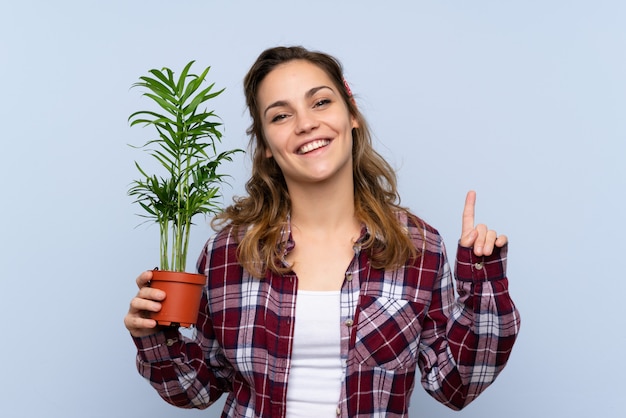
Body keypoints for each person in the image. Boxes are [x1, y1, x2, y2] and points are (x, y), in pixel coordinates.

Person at [124, 45, 520, 417]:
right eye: (281, 115)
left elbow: (455, 386)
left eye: (320, 102)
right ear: (264, 145)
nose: (306, 123)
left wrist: (483, 282)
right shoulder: (228, 252)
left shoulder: (419, 247)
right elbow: (199, 389)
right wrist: (155, 337)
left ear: (351, 115)